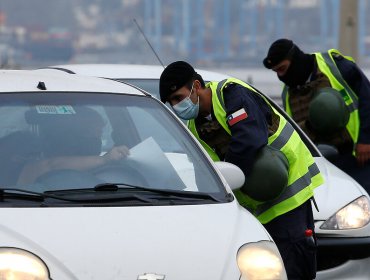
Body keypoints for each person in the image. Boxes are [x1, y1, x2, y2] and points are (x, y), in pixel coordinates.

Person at [159, 60, 324, 279]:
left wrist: (222, 181)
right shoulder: (195, 128)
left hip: (287, 195)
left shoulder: (231, 95)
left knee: (293, 268)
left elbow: (249, 140)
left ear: (196, 86)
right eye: (171, 102)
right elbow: (204, 172)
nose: (176, 106)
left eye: (178, 98)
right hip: (255, 209)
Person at [263, 38, 370, 193]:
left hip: (359, 156)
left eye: (283, 68)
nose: (281, 75)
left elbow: (367, 98)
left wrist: (366, 140)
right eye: (276, 72)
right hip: (326, 167)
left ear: (295, 59)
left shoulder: (335, 66)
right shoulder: (288, 94)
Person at [17, 106, 129, 185]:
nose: (97, 141)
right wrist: (104, 159)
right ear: (71, 134)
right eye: (91, 133)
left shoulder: (105, 169)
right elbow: (52, 165)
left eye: (99, 134)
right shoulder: (33, 166)